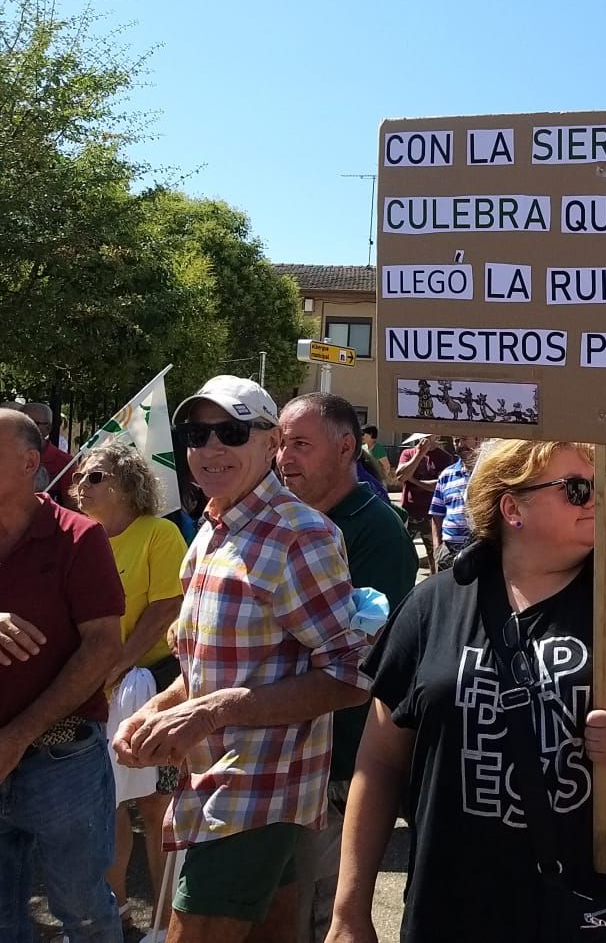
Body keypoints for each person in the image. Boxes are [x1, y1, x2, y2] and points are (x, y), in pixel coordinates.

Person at [327, 439, 606, 941]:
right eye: (576, 489)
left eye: (598, 487)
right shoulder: (433, 606)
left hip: (595, 908)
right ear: (512, 508)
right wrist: (349, 909)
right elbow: (379, 762)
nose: (595, 500)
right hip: (456, 907)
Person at [113, 376, 371, 942]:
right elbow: (203, 666)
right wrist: (156, 710)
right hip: (213, 789)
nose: (211, 448)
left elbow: (352, 676)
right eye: (197, 433)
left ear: (271, 442)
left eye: (231, 432)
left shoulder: (300, 535)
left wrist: (212, 712)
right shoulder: (211, 530)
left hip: (256, 794)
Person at [277, 393, 419, 943]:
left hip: (336, 761)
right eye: (282, 444)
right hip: (287, 752)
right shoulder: (292, 518)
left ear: (346, 448)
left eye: (301, 445)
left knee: (322, 914)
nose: (285, 457)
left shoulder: (375, 531)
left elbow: (353, 655)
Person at [0, 409, 125, 942]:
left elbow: (102, 647)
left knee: (82, 909)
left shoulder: (79, 537)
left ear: (31, 462)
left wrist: (18, 735)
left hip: (62, 757)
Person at [72, 441, 188, 935]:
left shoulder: (158, 533)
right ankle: (116, 908)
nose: (81, 487)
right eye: (80, 476)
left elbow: (167, 607)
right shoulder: (82, 538)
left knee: (156, 806)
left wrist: (117, 665)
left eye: (94, 477)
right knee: (107, 804)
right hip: (95, 690)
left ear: (125, 483)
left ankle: (164, 922)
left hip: (151, 687)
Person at [392, 433, 455, 570]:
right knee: (400, 553)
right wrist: (419, 454)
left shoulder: (445, 457)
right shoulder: (408, 453)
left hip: (431, 515)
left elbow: (437, 485)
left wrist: (413, 480)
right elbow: (400, 477)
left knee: (435, 556)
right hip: (409, 512)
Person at [429, 434, 479, 569]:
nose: (460, 445)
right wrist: (437, 549)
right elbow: (436, 514)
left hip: (479, 551)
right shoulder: (446, 475)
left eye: (464, 439)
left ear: (478, 438)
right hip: (448, 551)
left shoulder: (487, 473)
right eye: (456, 441)